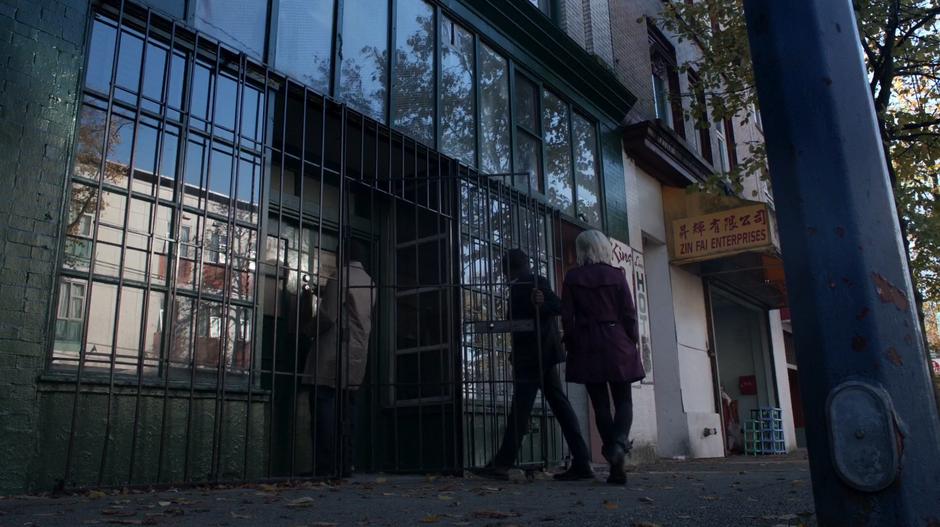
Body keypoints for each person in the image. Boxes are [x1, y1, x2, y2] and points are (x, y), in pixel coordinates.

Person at [479, 249, 593, 481]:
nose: (503, 274)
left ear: (509, 268)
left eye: (504, 269)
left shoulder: (532, 282)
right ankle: (581, 460)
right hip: (543, 353)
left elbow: (557, 307)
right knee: (558, 406)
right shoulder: (530, 282)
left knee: (521, 409)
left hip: (532, 355)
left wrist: (541, 303)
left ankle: (501, 464)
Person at [561, 230, 644, 485]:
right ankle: (619, 446)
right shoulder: (616, 275)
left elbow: (567, 318)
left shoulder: (572, 277)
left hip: (587, 343)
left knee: (599, 405)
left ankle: (613, 456)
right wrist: (631, 341)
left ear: (581, 250)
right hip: (616, 338)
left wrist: (573, 343)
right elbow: (629, 314)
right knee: (624, 401)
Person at [302, 244, 375, 477]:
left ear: (342, 255)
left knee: (323, 405)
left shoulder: (340, 275)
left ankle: (324, 466)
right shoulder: (370, 281)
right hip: (356, 352)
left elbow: (327, 315)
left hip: (333, 350)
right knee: (347, 408)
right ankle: (345, 463)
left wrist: (307, 330)